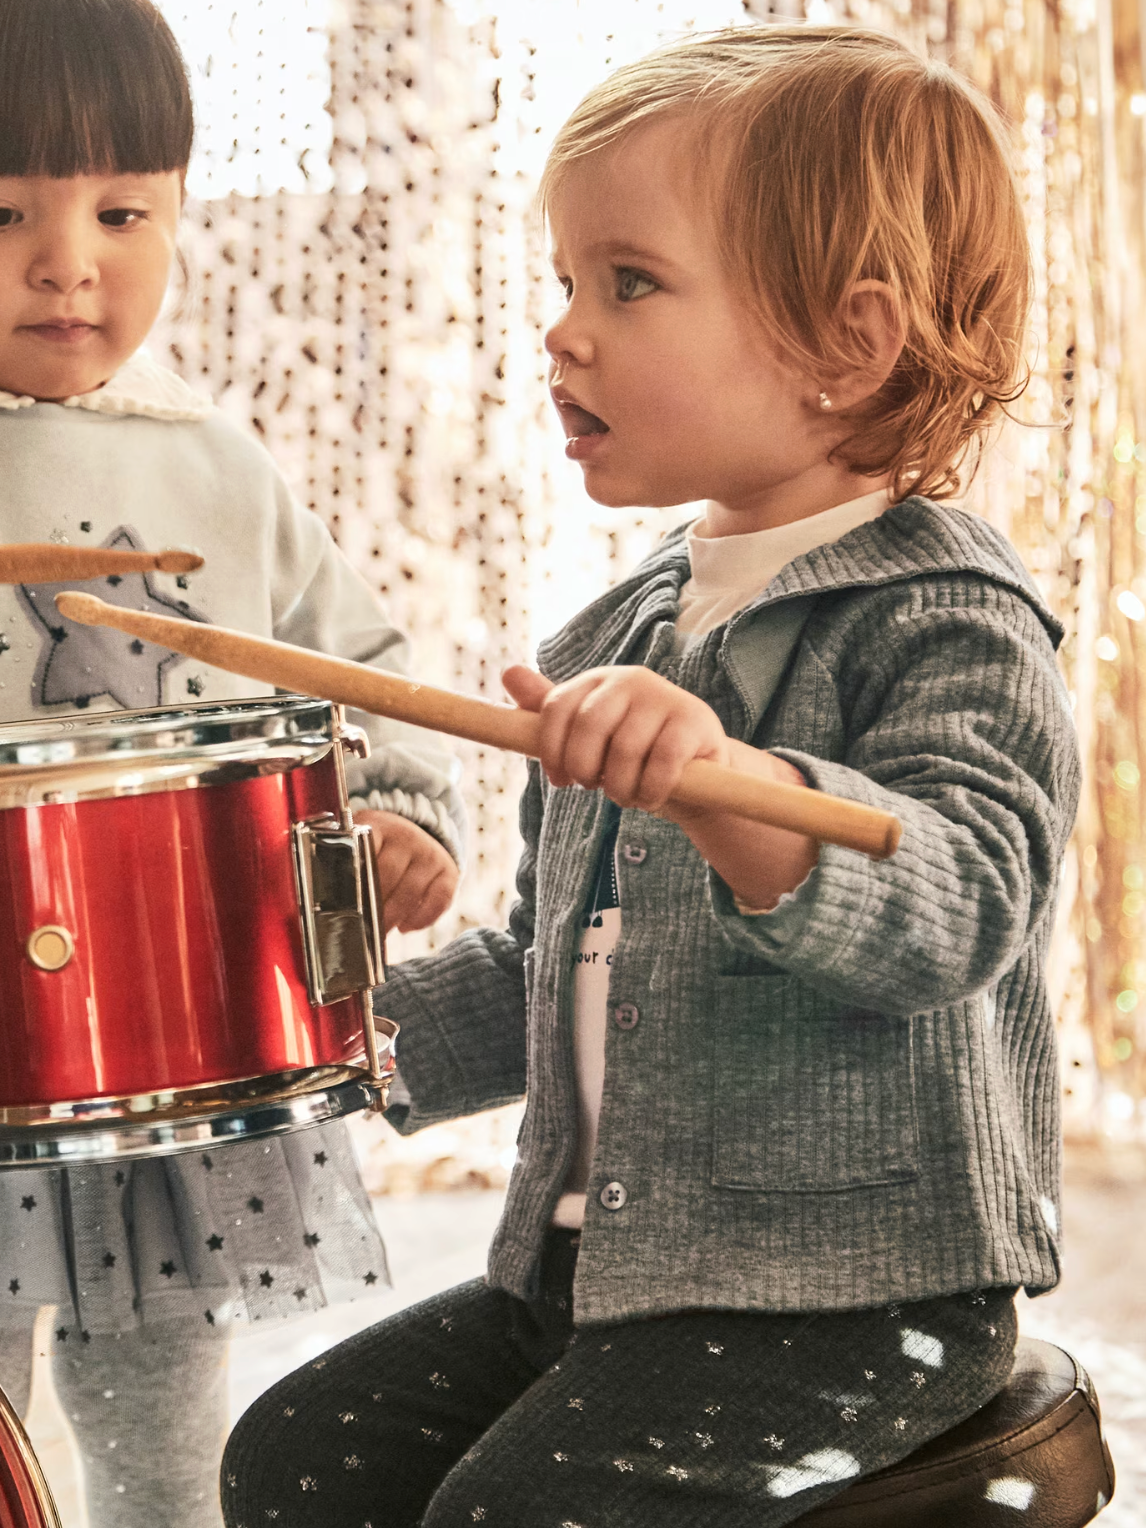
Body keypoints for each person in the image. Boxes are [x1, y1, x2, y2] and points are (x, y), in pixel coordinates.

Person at [221, 25, 1081, 1528]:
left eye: (628, 282)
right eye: (563, 282)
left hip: (850, 1299)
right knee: (296, 1457)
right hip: (594, 1271)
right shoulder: (618, 629)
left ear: (845, 344)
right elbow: (559, 963)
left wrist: (731, 789)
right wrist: (300, 1041)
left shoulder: (947, 616)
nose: (560, 330)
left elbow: (962, 907)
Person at [0, 2, 465, 1525]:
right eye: (4, 211)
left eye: (122, 210)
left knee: (161, 1432)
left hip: (167, 1056)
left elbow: (357, 678)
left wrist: (392, 822)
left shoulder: (214, 462)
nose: (70, 260)